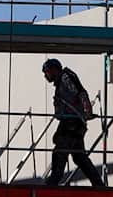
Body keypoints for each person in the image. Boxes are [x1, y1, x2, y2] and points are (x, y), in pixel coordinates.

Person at [42, 58, 104, 187]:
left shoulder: (65, 78)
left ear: (54, 69)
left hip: (71, 123)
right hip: (75, 123)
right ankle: (98, 184)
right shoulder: (63, 80)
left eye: (47, 72)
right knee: (79, 157)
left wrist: (87, 111)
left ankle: (53, 183)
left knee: (60, 153)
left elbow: (81, 93)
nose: (45, 75)